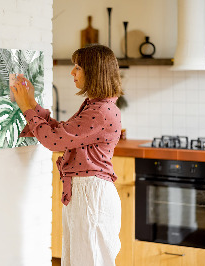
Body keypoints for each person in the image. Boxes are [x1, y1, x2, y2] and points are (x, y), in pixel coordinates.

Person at [10, 44, 123, 266]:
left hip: (91, 195)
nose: (72, 72)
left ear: (94, 71)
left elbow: (54, 141)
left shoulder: (100, 111)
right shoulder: (96, 106)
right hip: (86, 193)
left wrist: (26, 108)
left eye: (78, 67)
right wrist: (32, 103)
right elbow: (62, 133)